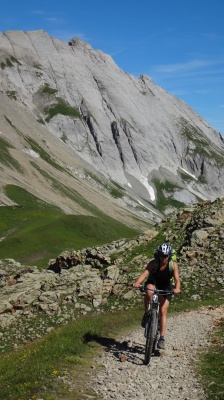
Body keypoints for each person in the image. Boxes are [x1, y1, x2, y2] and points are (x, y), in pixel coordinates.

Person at [133, 243, 181, 349]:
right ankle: (147, 315)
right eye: (161, 255)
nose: (163, 258)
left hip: (166, 286)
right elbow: (144, 274)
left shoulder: (173, 265)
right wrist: (137, 283)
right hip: (153, 283)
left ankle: (162, 338)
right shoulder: (153, 263)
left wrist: (177, 289)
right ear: (158, 255)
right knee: (149, 292)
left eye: (165, 256)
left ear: (169, 256)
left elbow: (177, 279)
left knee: (163, 311)